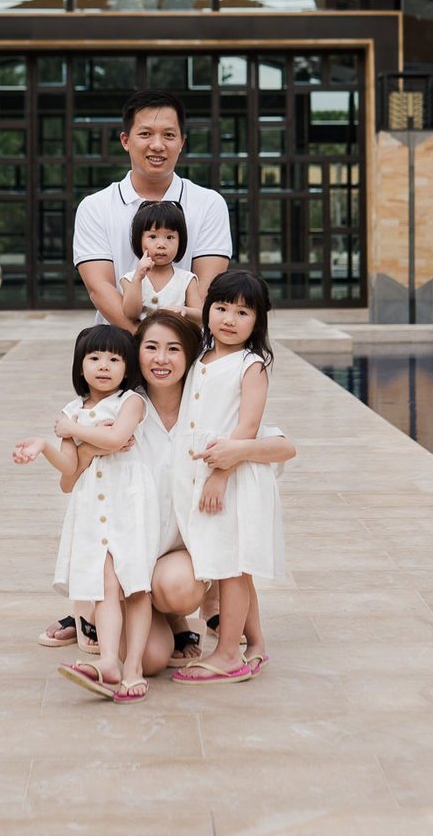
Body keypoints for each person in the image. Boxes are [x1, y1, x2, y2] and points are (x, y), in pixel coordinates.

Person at [53, 311, 296, 680]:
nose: (161, 359)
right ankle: (104, 615)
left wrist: (230, 459)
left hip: (177, 560)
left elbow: (283, 446)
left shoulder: (204, 407)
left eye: (173, 349)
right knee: (150, 662)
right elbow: (68, 483)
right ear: (137, 354)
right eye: (150, 348)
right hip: (131, 556)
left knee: (178, 587)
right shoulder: (121, 410)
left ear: (191, 356)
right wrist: (91, 449)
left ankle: (172, 615)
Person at [13, 326, 159, 703]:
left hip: (129, 499)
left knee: (135, 584)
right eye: (94, 358)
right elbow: (68, 473)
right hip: (94, 505)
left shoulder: (131, 401)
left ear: (127, 368)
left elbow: (115, 439)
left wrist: (76, 432)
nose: (104, 366)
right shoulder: (71, 411)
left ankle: (133, 669)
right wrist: (45, 444)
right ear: (81, 365)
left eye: (114, 359)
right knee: (106, 585)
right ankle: (109, 661)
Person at [169, 271, 284, 684]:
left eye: (242, 312)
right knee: (232, 565)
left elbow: (247, 428)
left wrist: (219, 475)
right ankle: (256, 645)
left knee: (233, 567)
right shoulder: (201, 353)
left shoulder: (251, 365)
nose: (229, 319)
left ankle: (228, 654)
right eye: (221, 308)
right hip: (200, 474)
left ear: (258, 321)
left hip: (230, 477)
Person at [73, 90, 232, 330]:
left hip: (187, 346)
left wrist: (172, 344)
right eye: (145, 134)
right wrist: (148, 341)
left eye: (168, 135)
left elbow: (206, 288)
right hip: (117, 351)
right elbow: (100, 288)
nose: (157, 145)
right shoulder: (94, 207)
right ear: (125, 140)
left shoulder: (209, 204)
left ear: (181, 142)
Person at [119, 199, 204, 326]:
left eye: (170, 237)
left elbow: (201, 317)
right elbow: (131, 314)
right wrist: (138, 278)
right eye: (153, 237)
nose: (161, 245)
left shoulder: (187, 279)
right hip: (141, 344)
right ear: (139, 240)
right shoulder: (130, 279)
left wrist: (185, 310)